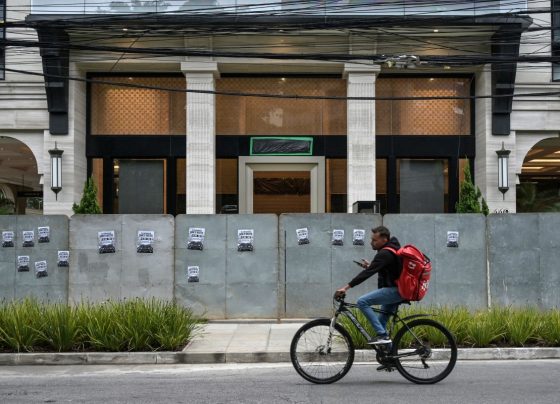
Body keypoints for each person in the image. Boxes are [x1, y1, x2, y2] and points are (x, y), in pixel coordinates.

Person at [336, 225, 402, 345]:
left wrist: (346, 287)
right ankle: (390, 357)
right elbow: (388, 269)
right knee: (381, 323)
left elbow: (368, 273)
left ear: (384, 240)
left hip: (394, 290)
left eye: (374, 240)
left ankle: (383, 336)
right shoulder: (391, 249)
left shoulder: (385, 253)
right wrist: (371, 266)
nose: (371, 242)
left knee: (362, 302)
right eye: (371, 239)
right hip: (397, 290)